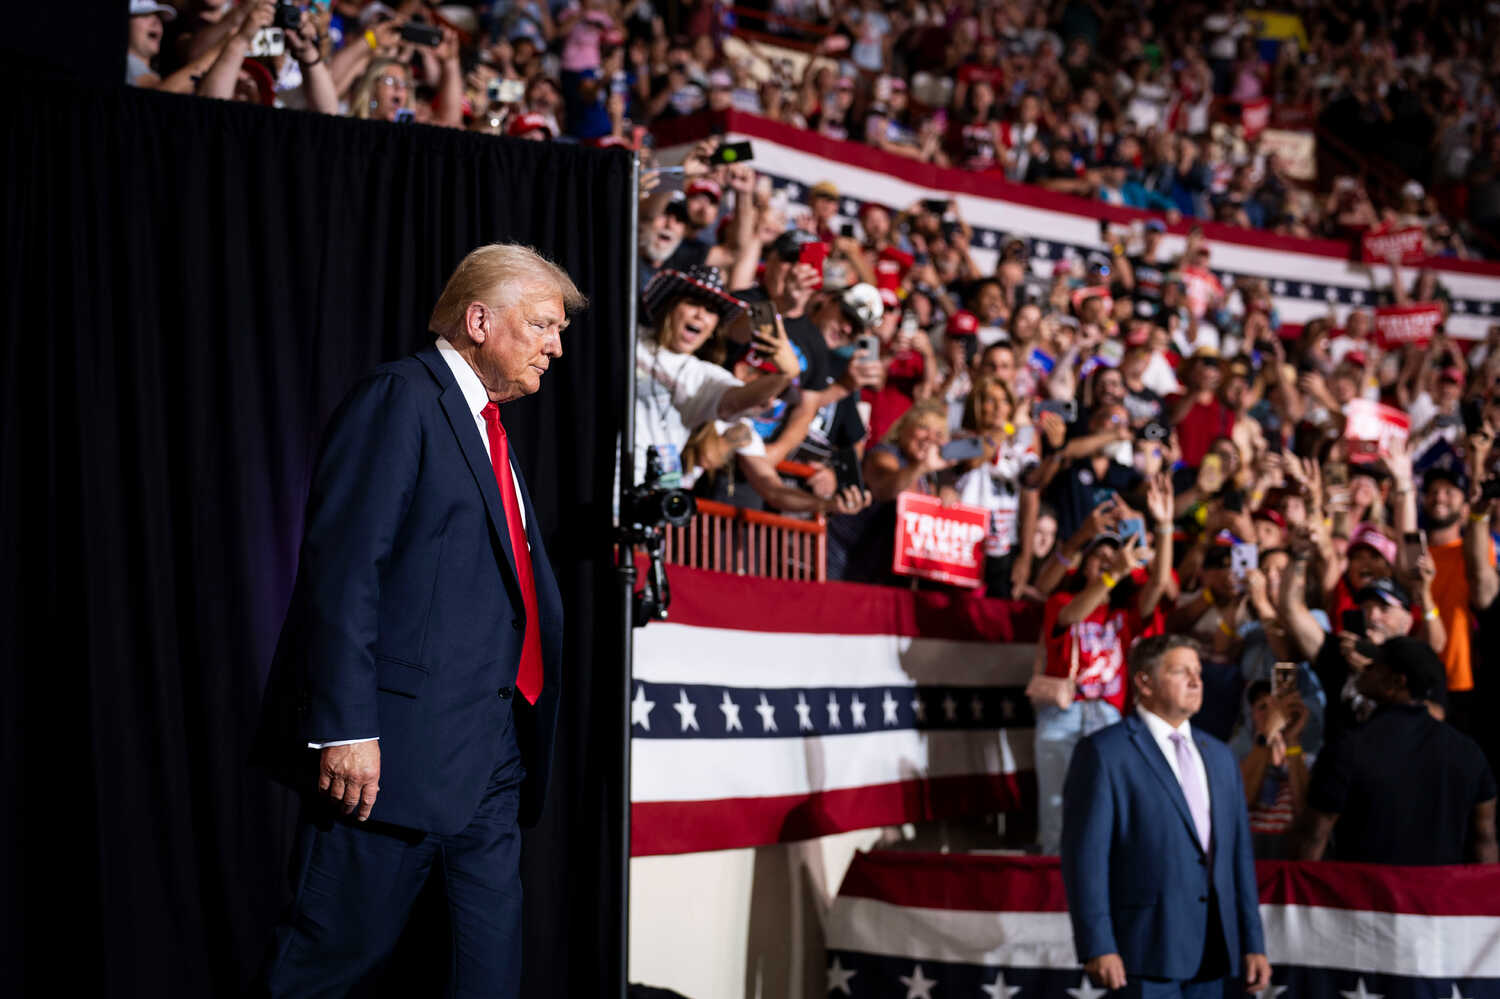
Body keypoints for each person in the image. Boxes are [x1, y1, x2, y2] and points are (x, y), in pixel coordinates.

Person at [253, 243, 586, 995]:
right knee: (317, 973)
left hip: (493, 760)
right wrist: (346, 727)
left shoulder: (491, 429)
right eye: (541, 325)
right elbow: (344, 572)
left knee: (487, 980)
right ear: (479, 319)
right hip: (391, 762)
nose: (555, 346)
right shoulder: (401, 397)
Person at [1062, 634, 1271, 997]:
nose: (1196, 681)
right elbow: (1086, 859)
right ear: (1144, 682)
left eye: (1199, 672)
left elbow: (1238, 857)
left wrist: (1253, 941)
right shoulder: (1104, 753)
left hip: (1214, 949)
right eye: (1181, 672)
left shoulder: (1220, 756)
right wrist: (1098, 944)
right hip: (1143, 952)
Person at [1291, 636, 1498, 864]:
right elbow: (1485, 840)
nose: (1366, 667)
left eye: (1375, 665)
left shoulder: (1350, 748)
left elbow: (1313, 836)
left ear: (1396, 682)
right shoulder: (1468, 752)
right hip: (1439, 896)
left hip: (1364, 895)